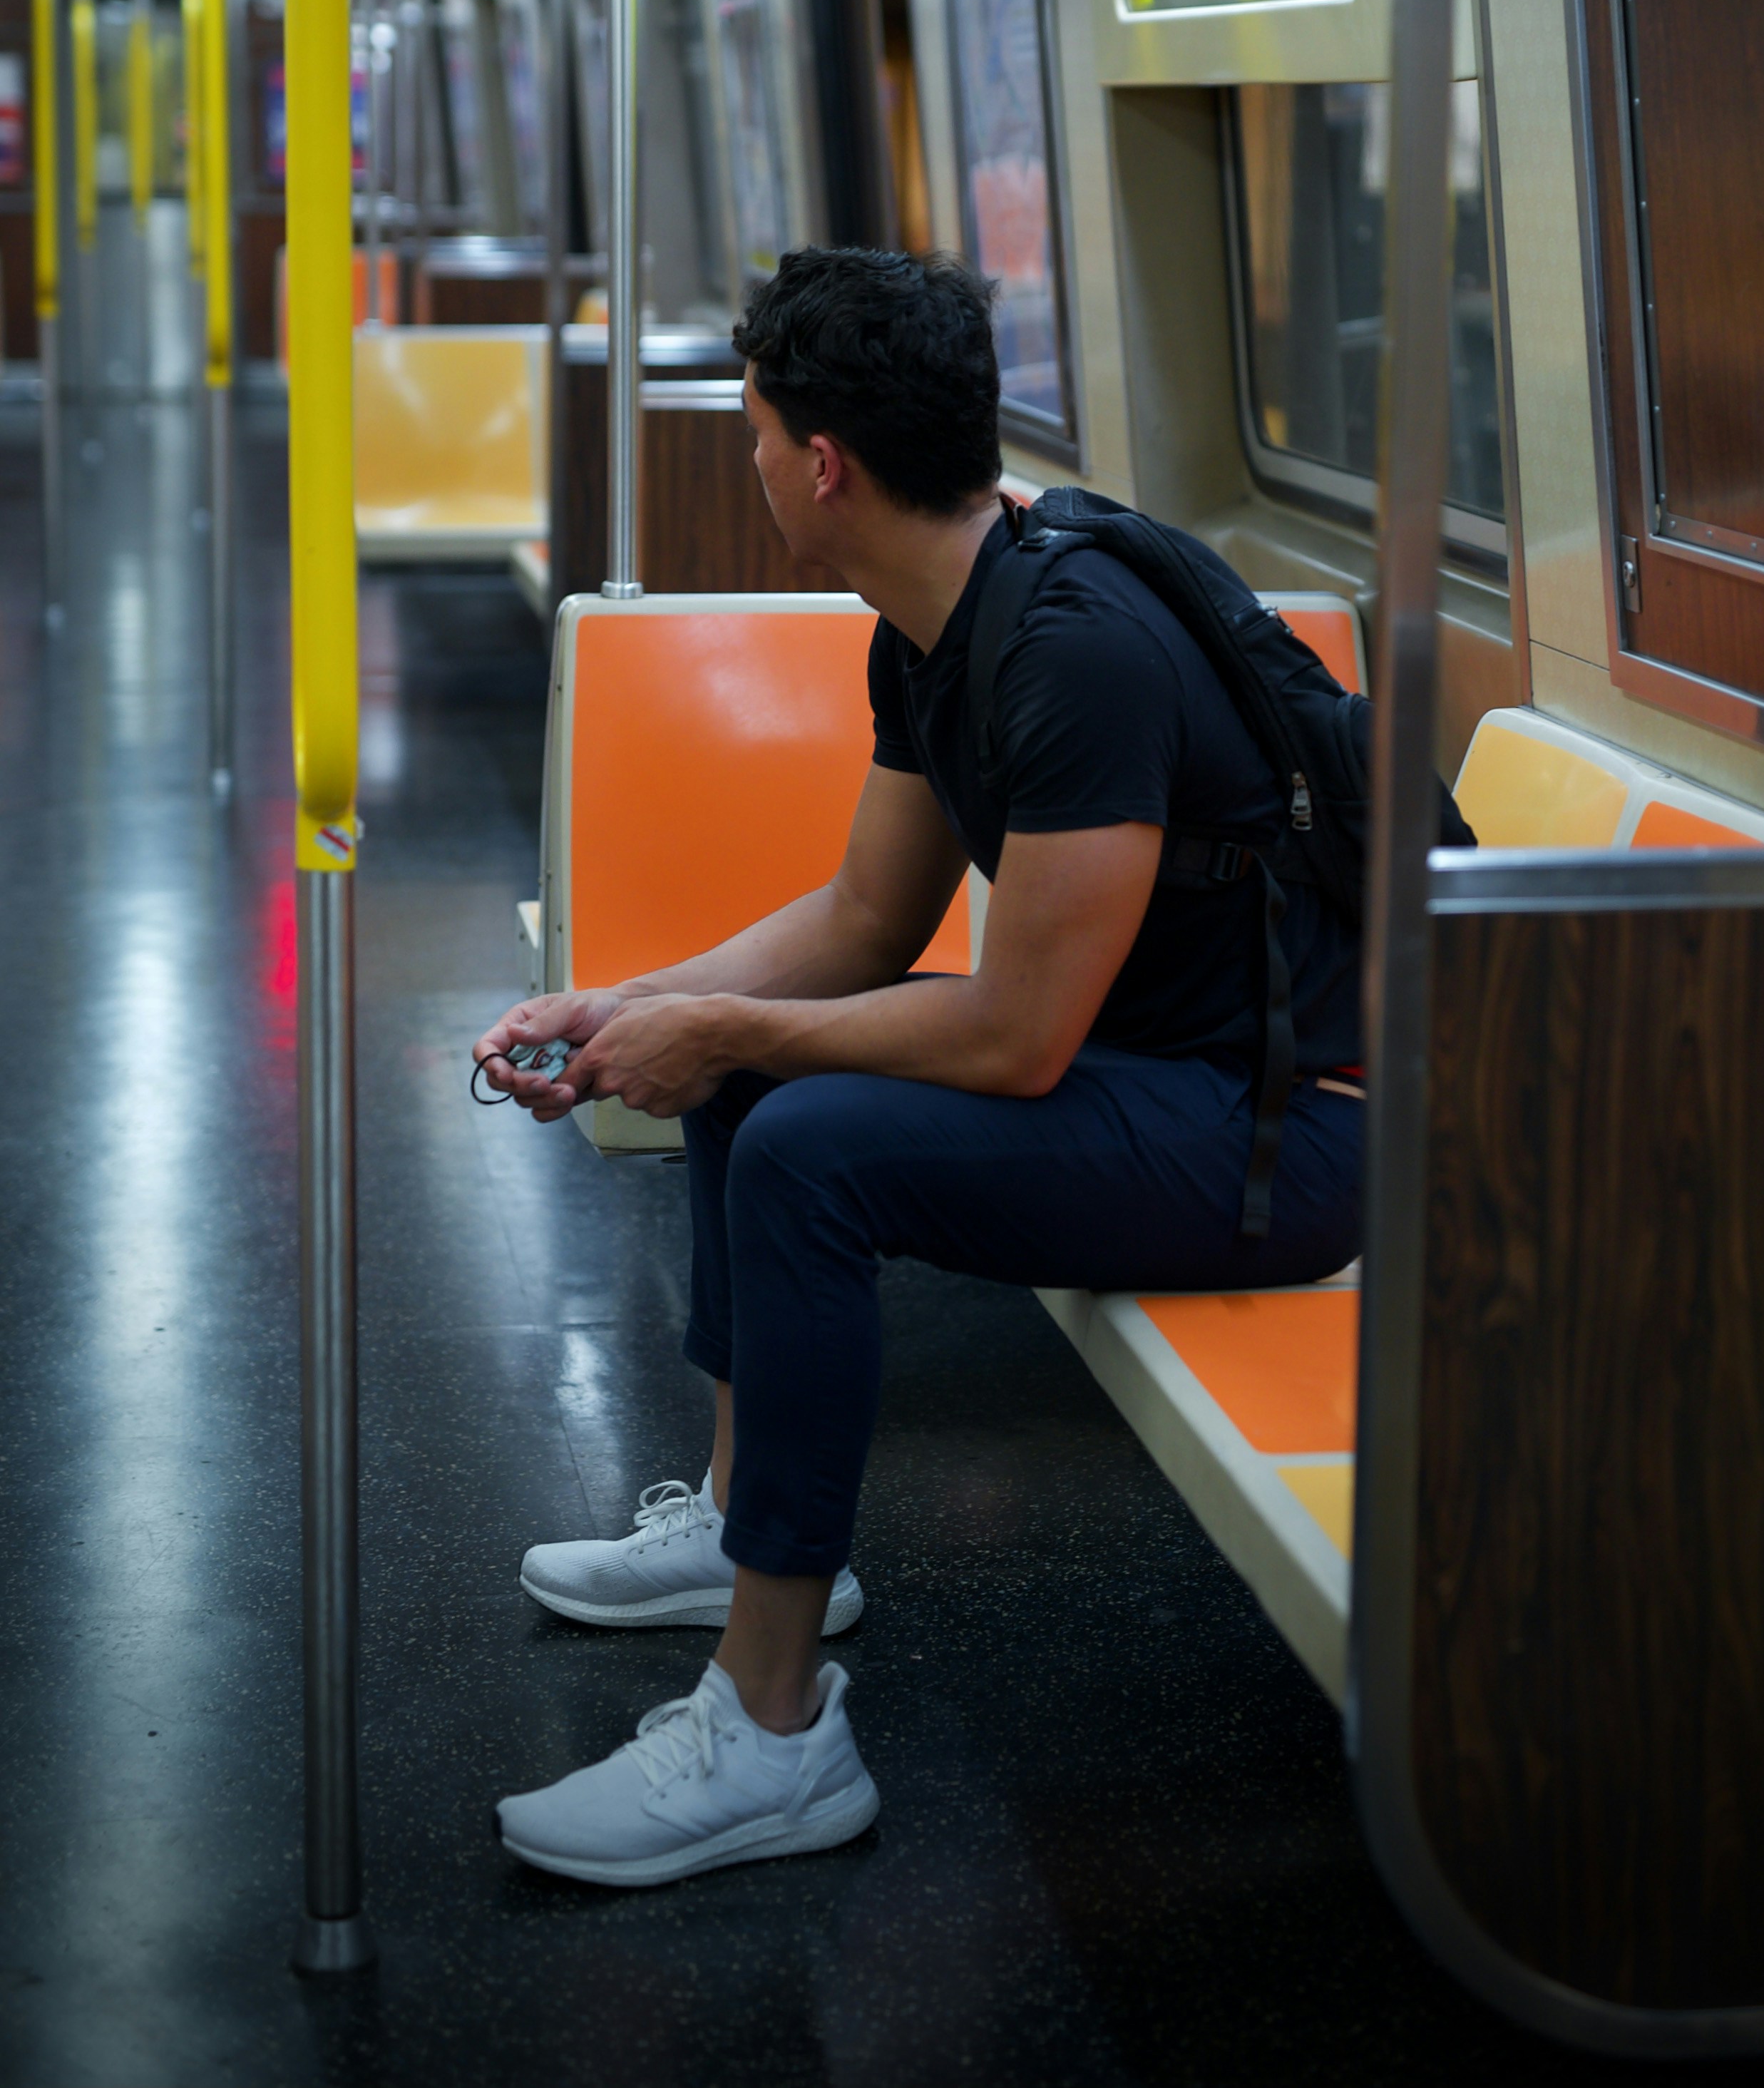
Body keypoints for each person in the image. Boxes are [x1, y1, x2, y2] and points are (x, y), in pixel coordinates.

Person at [472, 246, 1365, 1890]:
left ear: (824, 462)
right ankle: (748, 1525)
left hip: (1287, 1134)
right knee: (752, 1081)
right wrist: (623, 1003)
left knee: (805, 1137)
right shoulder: (934, 622)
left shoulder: (1073, 650)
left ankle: (773, 1725)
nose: (747, 462)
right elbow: (865, 919)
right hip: (1160, 1070)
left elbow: (1017, 1037)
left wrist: (723, 1029)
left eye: (753, 431)